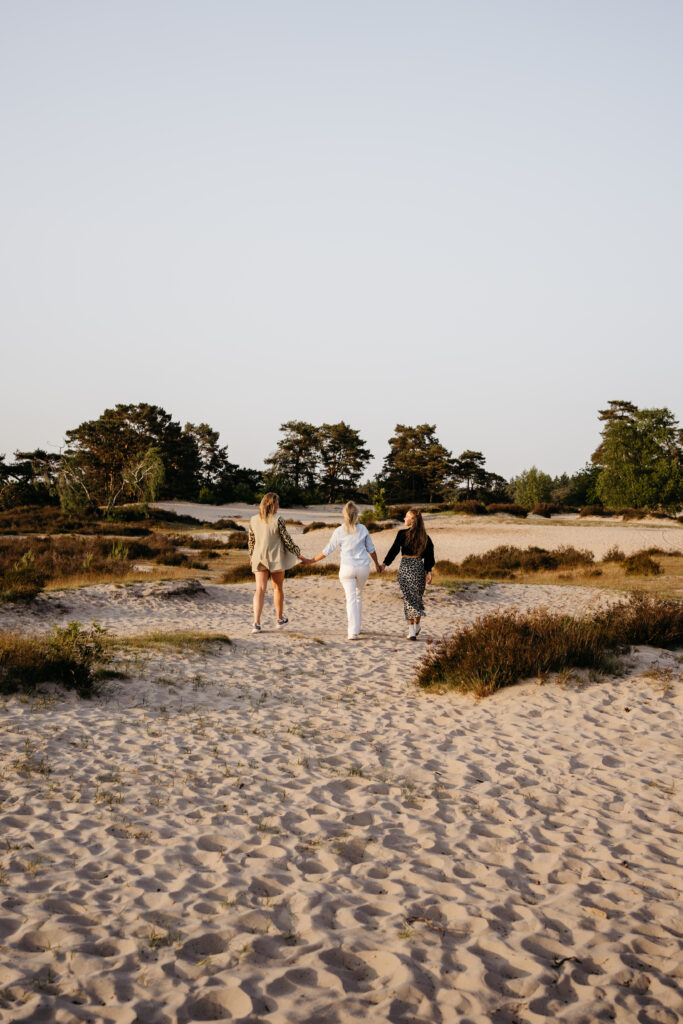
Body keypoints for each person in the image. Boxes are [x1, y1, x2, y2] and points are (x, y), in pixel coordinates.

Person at [304, 501, 382, 640]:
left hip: (347, 568)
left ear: (344, 514)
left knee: (351, 599)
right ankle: (356, 629)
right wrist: (377, 564)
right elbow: (372, 550)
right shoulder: (363, 529)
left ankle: (352, 632)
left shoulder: (339, 531)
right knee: (358, 596)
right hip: (363, 567)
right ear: (356, 514)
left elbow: (327, 551)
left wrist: (312, 560)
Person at [248, 492, 303, 633]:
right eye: (276, 504)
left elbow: (251, 541)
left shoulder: (253, 520)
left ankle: (256, 623)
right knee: (277, 587)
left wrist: (251, 557)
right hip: (276, 557)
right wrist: (297, 552)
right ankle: (279, 619)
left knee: (259, 589)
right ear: (271, 505)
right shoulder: (278, 519)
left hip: (259, 557)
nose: (278, 506)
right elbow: (287, 539)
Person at [381, 509, 435, 639]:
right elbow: (429, 557)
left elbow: (394, 550)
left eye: (406, 517)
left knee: (411, 599)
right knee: (413, 599)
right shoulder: (422, 536)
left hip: (409, 567)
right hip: (415, 568)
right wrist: (428, 572)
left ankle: (414, 627)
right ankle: (414, 628)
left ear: (412, 520)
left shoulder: (414, 536)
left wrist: (384, 564)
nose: (404, 519)